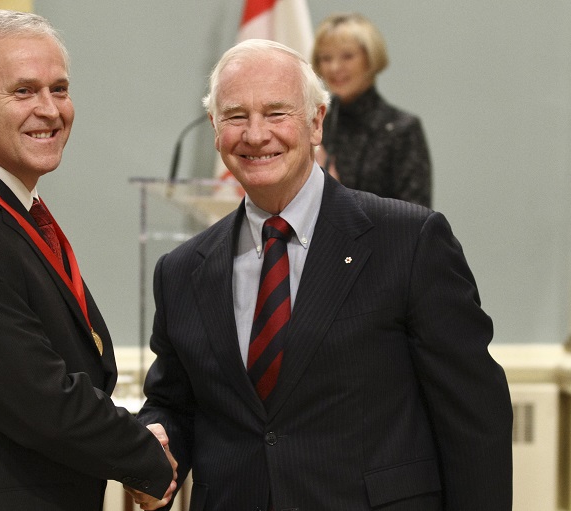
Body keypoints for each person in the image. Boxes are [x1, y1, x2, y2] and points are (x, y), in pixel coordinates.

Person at [136, 39, 512, 510]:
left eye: (276, 113)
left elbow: (475, 416)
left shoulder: (409, 241)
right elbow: (174, 404)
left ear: (316, 122)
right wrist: (154, 451)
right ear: (214, 129)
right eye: (235, 116)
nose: (255, 135)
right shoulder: (181, 272)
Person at [0, 10, 176, 511]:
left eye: (59, 89)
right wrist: (146, 460)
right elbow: (38, 399)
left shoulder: (2, 210)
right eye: (23, 91)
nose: (49, 109)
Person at [312, 12, 432, 207]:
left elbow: (416, 221)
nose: (334, 67)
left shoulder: (401, 130)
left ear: (370, 58)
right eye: (326, 58)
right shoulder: (316, 125)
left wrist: (334, 189)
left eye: (347, 56)